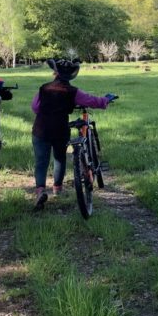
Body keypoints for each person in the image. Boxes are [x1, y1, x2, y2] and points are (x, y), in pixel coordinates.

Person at [31, 58, 116, 210]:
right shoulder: (73, 92)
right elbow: (92, 101)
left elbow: (35, 107)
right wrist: (106, 100)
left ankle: (40, 190)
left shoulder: (43, 88)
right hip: (60, 130)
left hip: (40, 129)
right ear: (71, 76)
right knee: (59, 159)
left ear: (55, 73)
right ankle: (57, 188)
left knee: (41, 162)